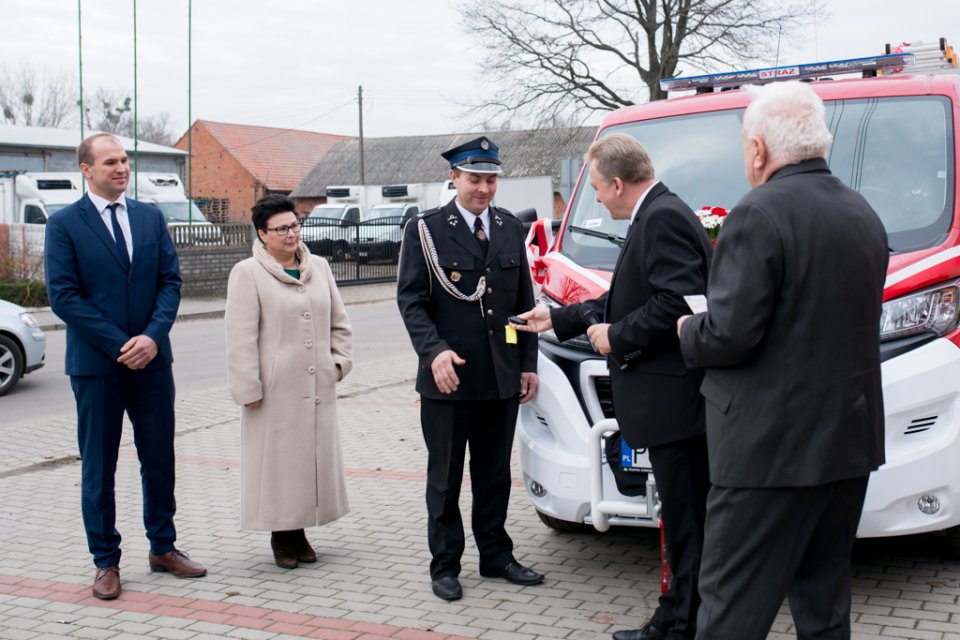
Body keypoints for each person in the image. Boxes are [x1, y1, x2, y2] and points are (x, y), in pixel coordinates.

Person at [677, 81, 888, 640]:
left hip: (767, 455)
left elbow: (728, 336)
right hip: (845, 445)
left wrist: (687, 329)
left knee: (731, 614)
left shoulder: (757, 214)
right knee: (824, 609)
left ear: (759, 150)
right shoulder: (862, 211)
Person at [514, 134, 712, 640]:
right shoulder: (655, 214)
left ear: (619, 183)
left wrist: (616, 337)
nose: (596, 198)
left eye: (598, 188)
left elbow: (681, 303)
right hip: (670, 405)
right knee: (681, 519)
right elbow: (625, 299)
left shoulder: (663, 218)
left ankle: (682, 625)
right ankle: (674, 615)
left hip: (675, 406)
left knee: (688, 522)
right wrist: (558, 319)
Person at [44, 133, 206, 601]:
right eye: (110, 161)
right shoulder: (64, 225)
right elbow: (64, 297)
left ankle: (163, 547)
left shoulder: (150, 217)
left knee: (159, 457)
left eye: (124, 160)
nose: (121, 168)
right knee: (100, 465)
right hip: (98, 366)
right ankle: (106, 561)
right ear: (85, 169)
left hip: (153, 363)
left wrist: (152, 338)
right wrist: (122, 344)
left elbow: (170, 282)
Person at [396, 136, 543, 601]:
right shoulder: (426, 230)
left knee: (495, 474)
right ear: (454, 178)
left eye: (491, 179)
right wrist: (433, 351)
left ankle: (496, 556)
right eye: (475, 179)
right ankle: (445, 565)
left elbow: (523, 305)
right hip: (449, 379)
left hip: (500, 377)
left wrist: (526, 362)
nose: (484, 188)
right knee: (445, 477)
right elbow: (412, 302)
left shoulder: (508, 228)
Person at [225, 194, 353, 569]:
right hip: (274, 391)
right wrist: (248, 387)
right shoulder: (247, 273)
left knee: (310, 463)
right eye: (281, 228)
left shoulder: (321, 268)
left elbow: (339, 322)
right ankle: (282, 535)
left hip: (317, 388)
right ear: (262, 234)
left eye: (294, 225)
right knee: (280, 466)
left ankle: (299, 530)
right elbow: (240, 337)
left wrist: (339, 364)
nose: (290, 234)